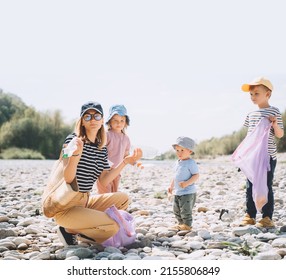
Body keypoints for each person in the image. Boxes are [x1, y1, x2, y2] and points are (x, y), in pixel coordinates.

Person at [54, 101, 142, 246]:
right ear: (82, 121)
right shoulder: (73, 140)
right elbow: (68, 178)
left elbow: (105, 181)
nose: (92, 120)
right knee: (112, 227)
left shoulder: (101, 147)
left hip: (84, 201)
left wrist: (126, 161)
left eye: (96, 116)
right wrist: (73, 155)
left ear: (102, 120)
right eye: (87, 117)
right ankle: (69, 229)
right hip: (67, 205)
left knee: (123, 199)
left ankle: (87, 222)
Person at [239, 77, 284, 228]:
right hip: (252, 157)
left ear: (268, 94)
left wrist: (275, 123)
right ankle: (250, 215)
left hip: (267, 156)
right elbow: (249, 136)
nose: (253, 97)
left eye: (256, 93)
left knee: (266, 185)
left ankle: (266, 217)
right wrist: (243, 153)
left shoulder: (274, 111)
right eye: (251, 94)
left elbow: (279, 134)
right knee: (250, 185)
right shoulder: (251, 114)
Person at [96, 104, 131, 194]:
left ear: (125, 123)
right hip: (105, 170)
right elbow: (99, 151)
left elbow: (126, 155)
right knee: (105, 191)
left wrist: (135, 161)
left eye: (122, 121)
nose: (119, 123)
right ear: (109, 121)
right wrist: (108, 164)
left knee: (114, 192)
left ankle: (112, 206)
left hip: (117, 170)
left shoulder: (126, 138)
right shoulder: (107, 135)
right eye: (115, 120)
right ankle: (103, 206)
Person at [167, 136, 199, 231]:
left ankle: (187, 225)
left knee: (185, 210)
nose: (179, 153)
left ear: (190, 151)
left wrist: (186, 183)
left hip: (188, 192)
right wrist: (171, 186)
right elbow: (175, 176)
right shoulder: (178, 162)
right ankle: (181, 223)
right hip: (178, 191)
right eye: (177, 150)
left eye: (182, 150)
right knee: (176, 209)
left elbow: (196, 175)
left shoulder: (191, 163)